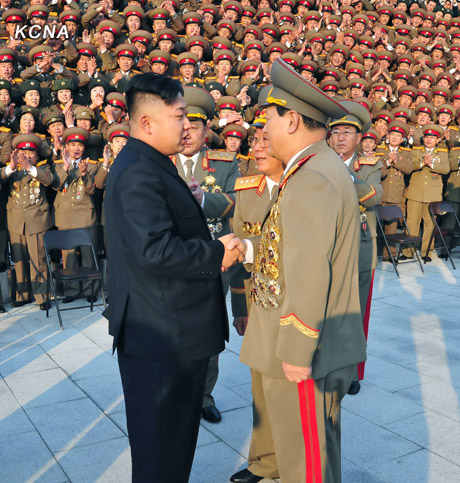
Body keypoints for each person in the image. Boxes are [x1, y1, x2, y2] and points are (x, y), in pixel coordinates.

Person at [103, 73, 246, 482]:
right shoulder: (137, 172)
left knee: (171, 448)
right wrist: (217, 252)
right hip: (162, 340)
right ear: (147, 122)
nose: (188, 126)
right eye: (180, 116)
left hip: (171, 332)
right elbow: (155, 251)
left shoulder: (150, 164)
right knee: (161, 454)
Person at [239, 59, 366, 483]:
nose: (264, 132)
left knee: (307, 466)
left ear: (291, 120)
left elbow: (310, 272)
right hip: (307, 342)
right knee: (303, 456)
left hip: (306, 351)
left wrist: (296, 349)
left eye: (269, 120)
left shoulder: (312, 177)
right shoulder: (316, 168)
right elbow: (290, 248)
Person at [174, 85, 240, 423]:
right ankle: (177, 393)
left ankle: (204, 396)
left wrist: (203, 200)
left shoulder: (226, 164)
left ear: (206, 130)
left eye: (194, 125)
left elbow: (234, 201)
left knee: (209, 328)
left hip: (214, 258)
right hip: (173, 259)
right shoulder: (160, 162)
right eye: (182, 122)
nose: (186, 131)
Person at [230, 108, 282, 483]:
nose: (258, 148)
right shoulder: (246, 189)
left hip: (297, 301)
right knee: (261, 385)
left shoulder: (306, 185)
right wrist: (239, 307)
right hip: (257, 301)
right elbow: (236, 255)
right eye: (254, 141)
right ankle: (264, 461)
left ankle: (293, 460)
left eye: (266, 140)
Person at [328, 100, 383, 395]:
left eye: (347, 132)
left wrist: (340, 170)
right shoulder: (317, 163)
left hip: (360, 247)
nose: (340, 138)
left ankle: (352, 371)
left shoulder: (371, 166)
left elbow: (372, 196)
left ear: (358, 138)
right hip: (327, 245)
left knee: (357, 311)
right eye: (336, 132)